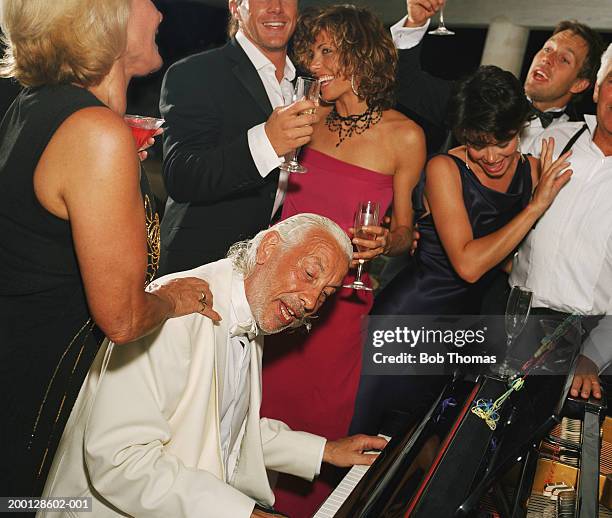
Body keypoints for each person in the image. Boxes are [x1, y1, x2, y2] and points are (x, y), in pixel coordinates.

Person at [0, 0, 217, 498]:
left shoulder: (40, 105)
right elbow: (122, 319)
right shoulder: (94, 134)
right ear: (105, 20)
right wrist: (176, 299)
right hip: (43, 397)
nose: (160, 15)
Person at [40, 214, 387, 518]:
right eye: (310, 273)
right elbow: (119, 461)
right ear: (267, 248)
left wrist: (325, 450)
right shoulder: (175, 310)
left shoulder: (250, 303)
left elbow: (223, 427)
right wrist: (244, 514)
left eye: (325, 294)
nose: (311, 301)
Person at [259, 6, 426, 516]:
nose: (314, 62)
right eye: (312, 52)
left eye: (327, 51)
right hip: (273, 296)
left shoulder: (405, 136)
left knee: (314, 422)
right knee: (252, 412)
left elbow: (406, 233)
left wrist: (385, 243)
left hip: (340, 303)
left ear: (361, 55)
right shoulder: (307, 118)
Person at [350, 65, 572, 436]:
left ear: (520, 128)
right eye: (477, 143)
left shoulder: (533, 171)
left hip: (463, 334)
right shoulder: (444, 168)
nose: (490, 156)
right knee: (360, 435)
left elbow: (507, 259)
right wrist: (536, 206)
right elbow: (468, 264)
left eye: (503, 141)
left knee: (409, 450)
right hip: (408, 322)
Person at [157, 0, 318, 275]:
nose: (276, 7)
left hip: (265, 271)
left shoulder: (304, 84)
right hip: (200, 268)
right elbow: (182, 176)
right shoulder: (195, 72)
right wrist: (267, 142)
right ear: (235, 6)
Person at [513, 43, 612, 401]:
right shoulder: (552, 139)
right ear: (599, 88)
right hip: (511, 318)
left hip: (582, 339)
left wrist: (592, 356)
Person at [391, 0, 605, 151]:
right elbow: (406, 83)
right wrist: (415, 22)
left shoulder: (581, 141)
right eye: (547, 49)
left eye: (564, 59)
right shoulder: (478, 97)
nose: (547, 59)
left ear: (579, 84)